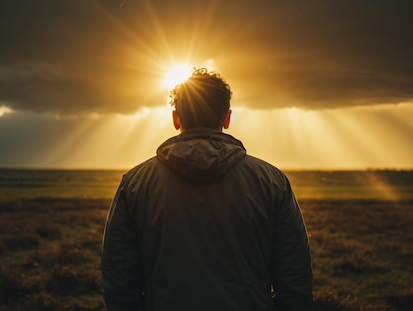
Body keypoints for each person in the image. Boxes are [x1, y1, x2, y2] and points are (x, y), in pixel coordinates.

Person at [101, 68, 313, 311]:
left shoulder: (136, 184)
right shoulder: (271, 182)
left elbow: (119, 281)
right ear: (226, 118)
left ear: (176, 118)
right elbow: (295, 279)